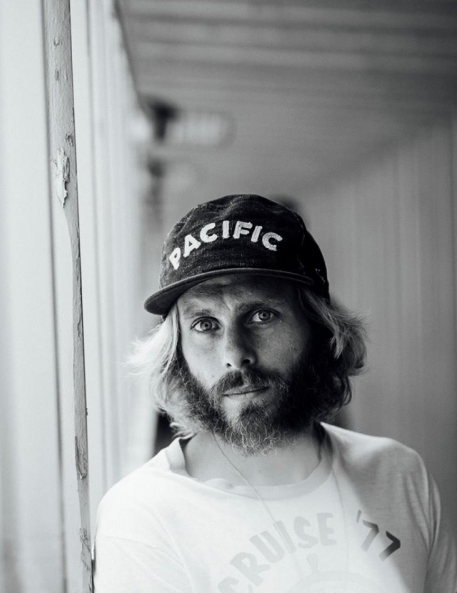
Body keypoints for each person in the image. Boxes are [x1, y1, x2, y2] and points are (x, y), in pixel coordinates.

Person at [92, 194, 457, 592]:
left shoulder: (398, 475)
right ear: (175, 351)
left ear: (319, 327)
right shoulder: (143, 517)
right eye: (204, 324)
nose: (235, 354)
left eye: (261, 315)